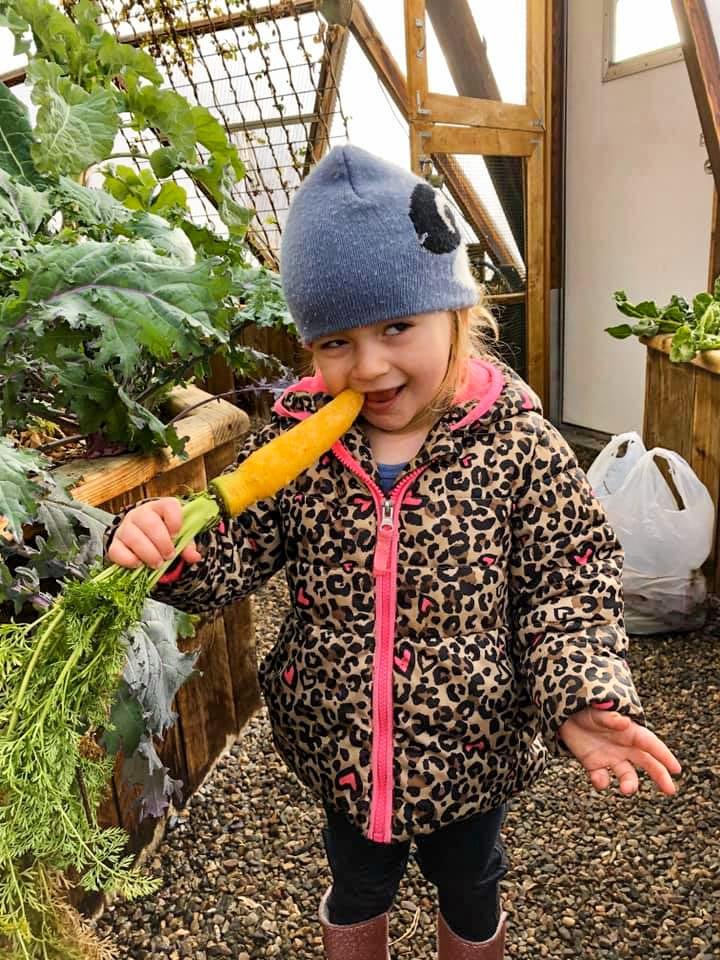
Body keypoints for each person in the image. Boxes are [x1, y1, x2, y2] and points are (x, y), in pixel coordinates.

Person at [106, 145, 681, 960]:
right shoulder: (297, 441)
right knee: (356, 886)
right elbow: (239, 544)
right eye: (335, 341)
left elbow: (570, 583)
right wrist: (170, 545)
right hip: (342, 747)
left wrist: (583, 695)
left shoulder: (518, 443)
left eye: (398, 327)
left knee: (472, 885)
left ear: (459, 313)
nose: (368, 364)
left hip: (472, 751)